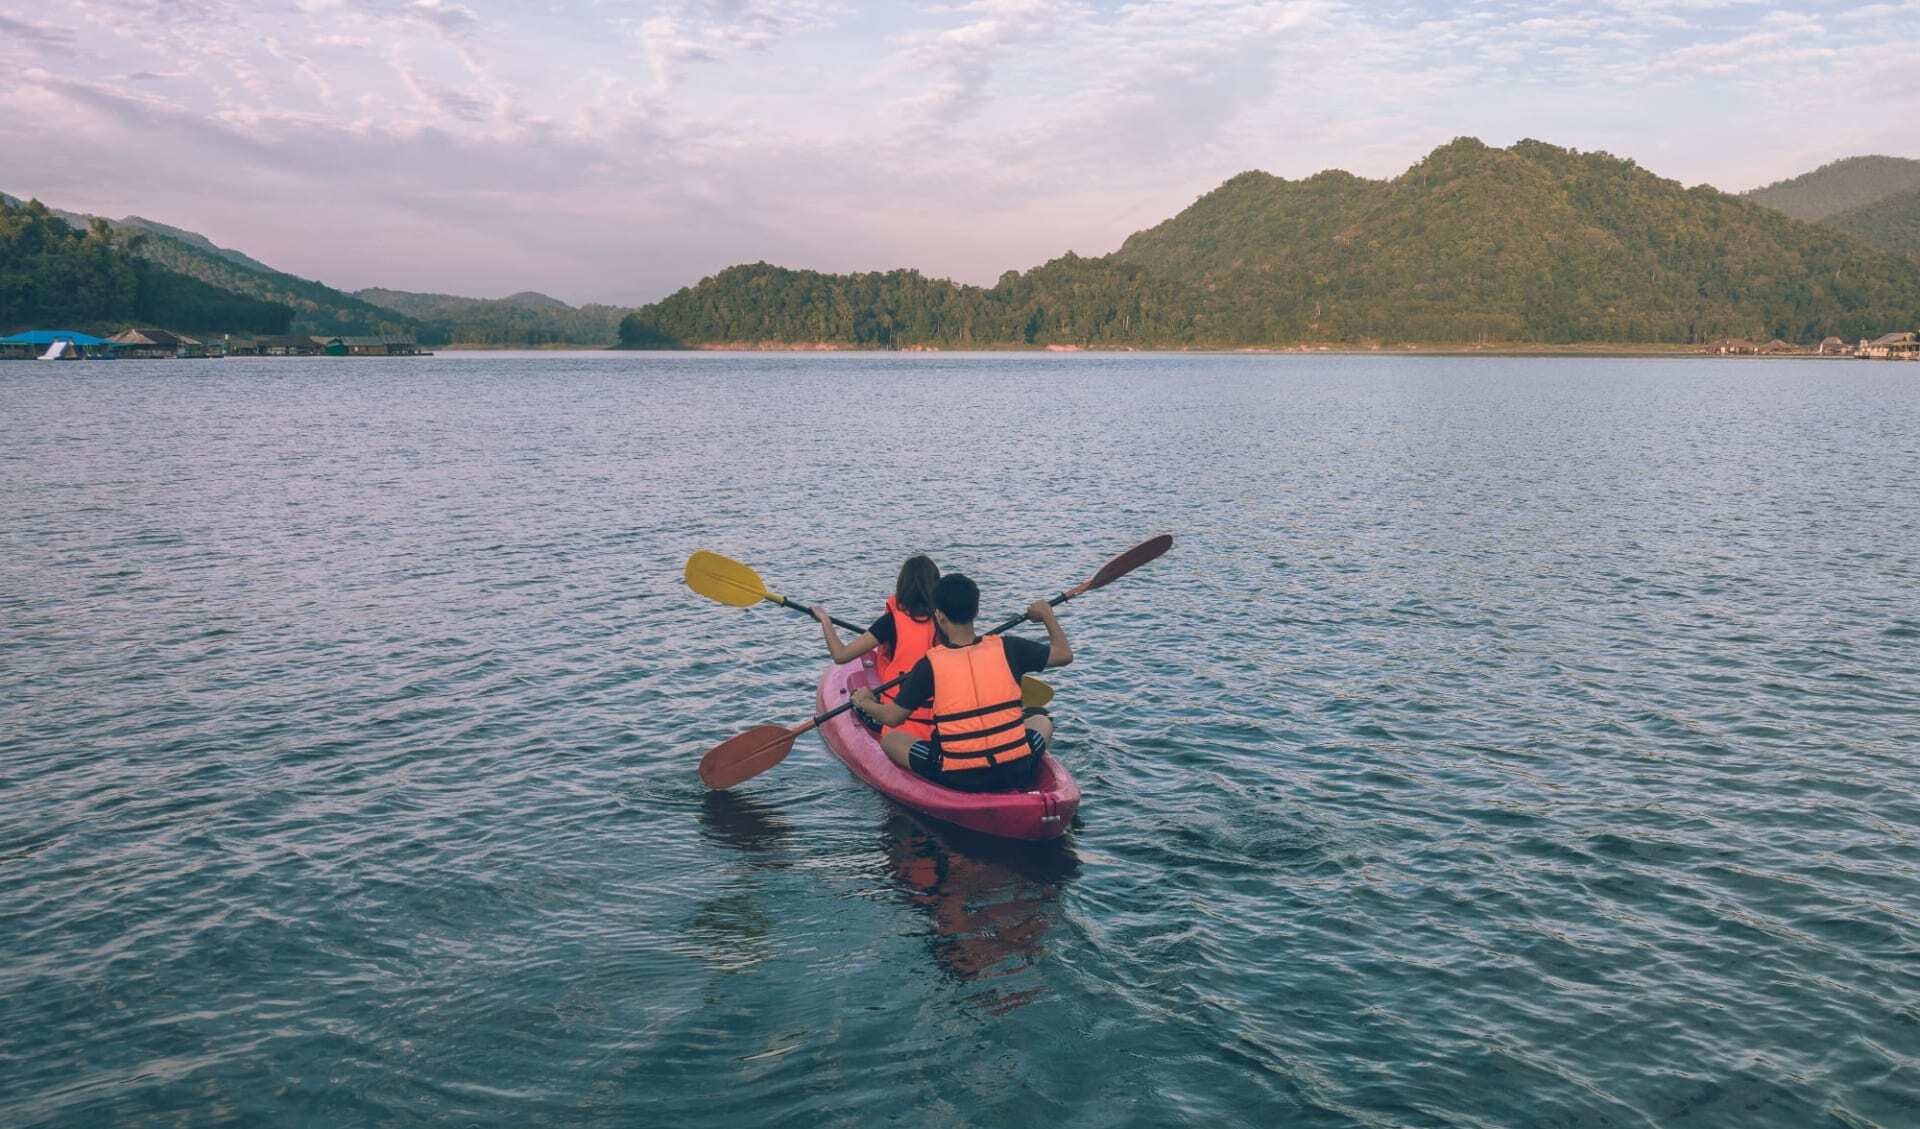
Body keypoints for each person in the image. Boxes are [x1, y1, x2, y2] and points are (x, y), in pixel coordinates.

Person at [850, 573, 1071, 793]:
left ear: (939, 615)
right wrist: (1046, 615)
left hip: (958, 776)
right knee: (1042, 719)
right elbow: (1063, 654)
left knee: (891, 740)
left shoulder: (930, 664)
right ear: (976, 611)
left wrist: (865, 702)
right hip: (1016, 767)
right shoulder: (1010, 647)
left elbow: (892, 717)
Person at [814, 555, 941, 743]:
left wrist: (825, 621)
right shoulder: (946, 622)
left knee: (859, 697)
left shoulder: (890, 623)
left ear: (902, 586)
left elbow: (840, 655)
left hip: (898, 721)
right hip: (941, 722)